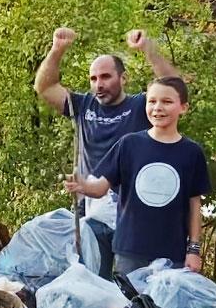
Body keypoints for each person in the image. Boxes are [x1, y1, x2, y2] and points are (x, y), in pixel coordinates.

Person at [34, 26, 180, 278]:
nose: (99, 85)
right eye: (93, 79)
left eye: (105, 77)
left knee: (131, 285)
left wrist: (149, 49)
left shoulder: (139, 106)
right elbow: (45, 87)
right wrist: (57, 49)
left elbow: (173, 88)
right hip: (91, 212)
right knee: (92, 283)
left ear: (123, 79)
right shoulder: (83, 105)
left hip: (132, 215)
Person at [64, 75, 211, 276]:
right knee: (132, 306)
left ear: (183, 107)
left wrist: (193, 249)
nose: (158, 107)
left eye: (167, 102)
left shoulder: (192, 152)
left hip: (173, 253)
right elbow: (100, 188)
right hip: (130, 251)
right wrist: (82, 186)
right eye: (152, 101)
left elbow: (195, 205)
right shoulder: (129, 144)